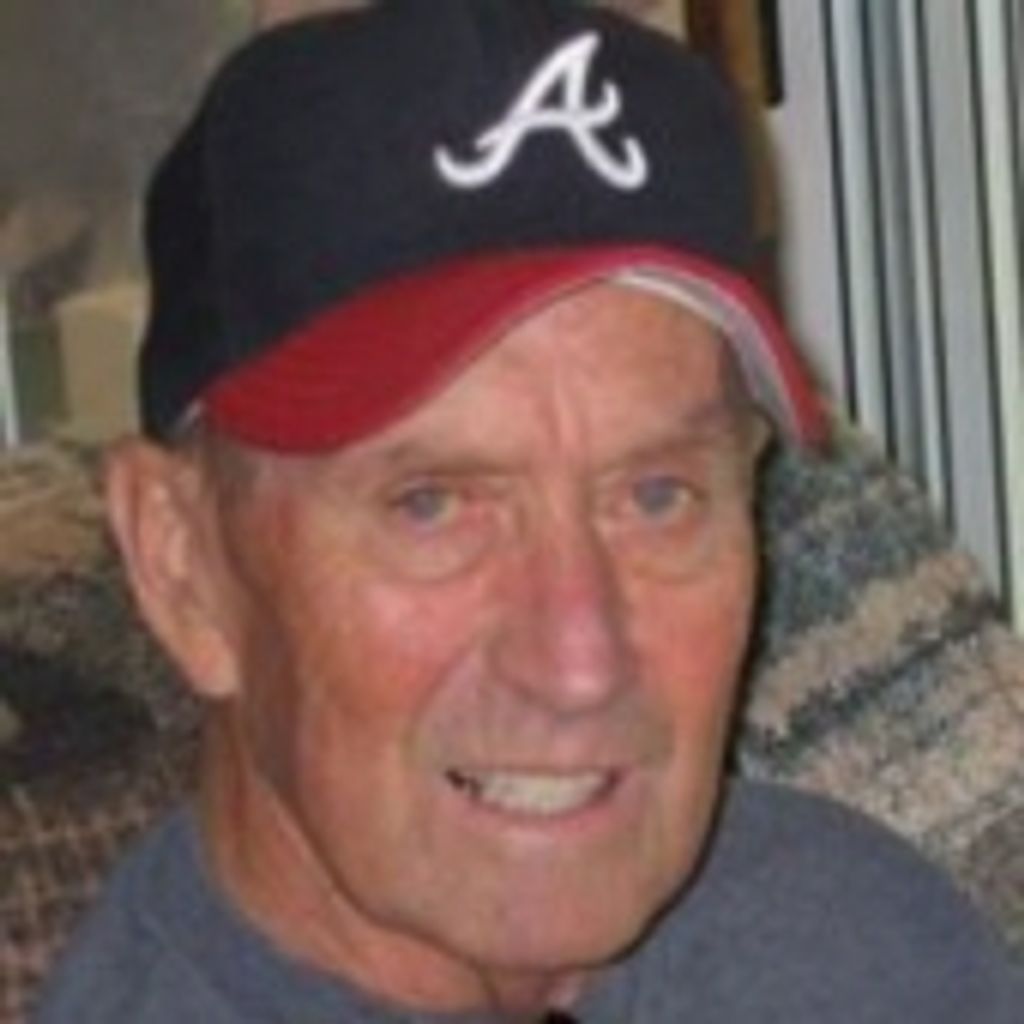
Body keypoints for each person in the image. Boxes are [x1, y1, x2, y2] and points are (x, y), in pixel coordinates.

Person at [31, 2, 1023, 1021]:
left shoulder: (852, 934)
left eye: (656, 496)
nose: (579, 662)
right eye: (431, 507)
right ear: (182, 566)